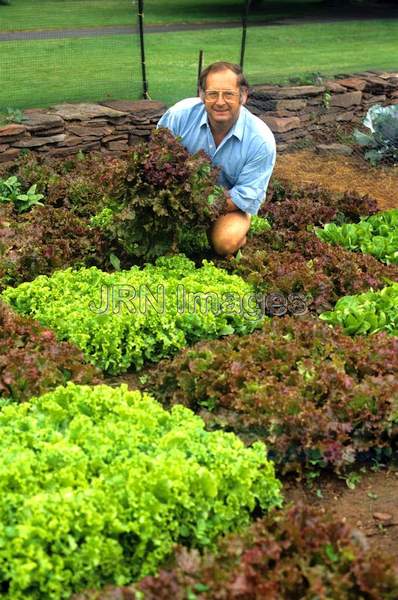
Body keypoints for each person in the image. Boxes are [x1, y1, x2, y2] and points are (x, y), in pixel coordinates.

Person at [157, 61, 276, 256]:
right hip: (180, 199)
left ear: (243, 95)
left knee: (224, 243)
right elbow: (157, 161)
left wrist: (196, 208)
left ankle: (238, 227)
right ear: (202, 95)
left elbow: (243, 196)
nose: (220, 102)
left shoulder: (260, 140)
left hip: (228, 205)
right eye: (213, 94)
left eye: (228, 94)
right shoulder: (178, 116)